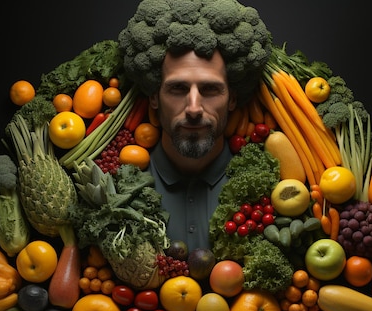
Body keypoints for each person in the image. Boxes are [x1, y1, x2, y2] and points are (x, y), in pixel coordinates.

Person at [117, 0, 274, 252]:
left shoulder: (268, 192)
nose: (193, 109)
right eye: (177, 89)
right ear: (154, 97)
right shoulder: (118, 188)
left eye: (210, 89)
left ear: (232, 98)